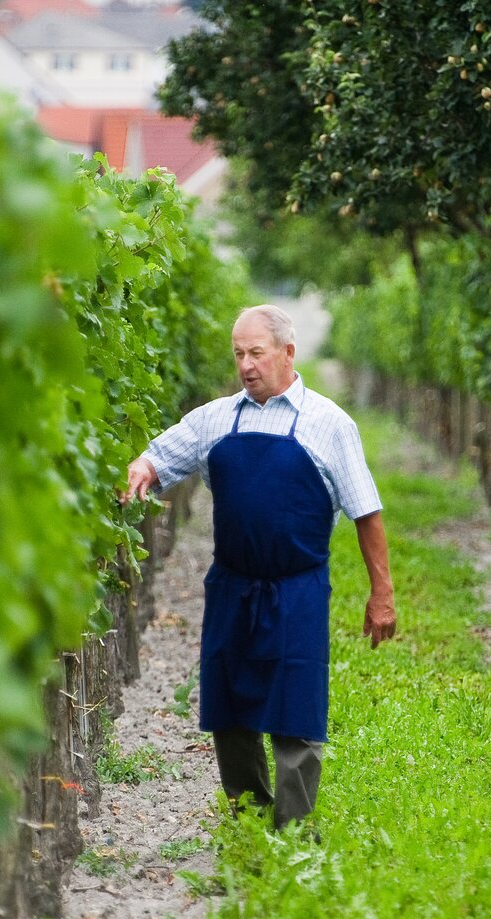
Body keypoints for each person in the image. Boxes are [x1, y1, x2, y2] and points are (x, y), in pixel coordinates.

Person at [122, 304, 395, 830]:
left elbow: (367, 512)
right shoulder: (216, 419)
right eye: (239, 354)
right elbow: (161, 455)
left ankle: (292, 832)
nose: (246, 365)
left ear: (288, 354)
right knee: (231, 705)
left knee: (296, 707)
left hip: (298, 587)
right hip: (232, 585)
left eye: (257, 353)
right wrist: (143, 466)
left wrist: (380, 594)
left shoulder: (329, 423)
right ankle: (248, 819)